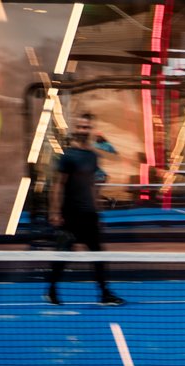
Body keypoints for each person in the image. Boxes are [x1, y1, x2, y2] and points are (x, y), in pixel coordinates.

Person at [46, 113, 124, 307]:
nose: (83, 131)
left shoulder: (92, 156)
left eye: (86, 127)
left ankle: (104, 293)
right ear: (75, 129)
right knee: (62, 256)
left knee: (98, 255)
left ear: (91, 130)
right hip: (70, 216)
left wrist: (97, 210)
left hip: (89, 216)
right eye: (80, 127)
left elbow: (91, 186)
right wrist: (55, 212)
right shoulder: (67, 156)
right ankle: (51, 290)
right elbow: (58, 185)